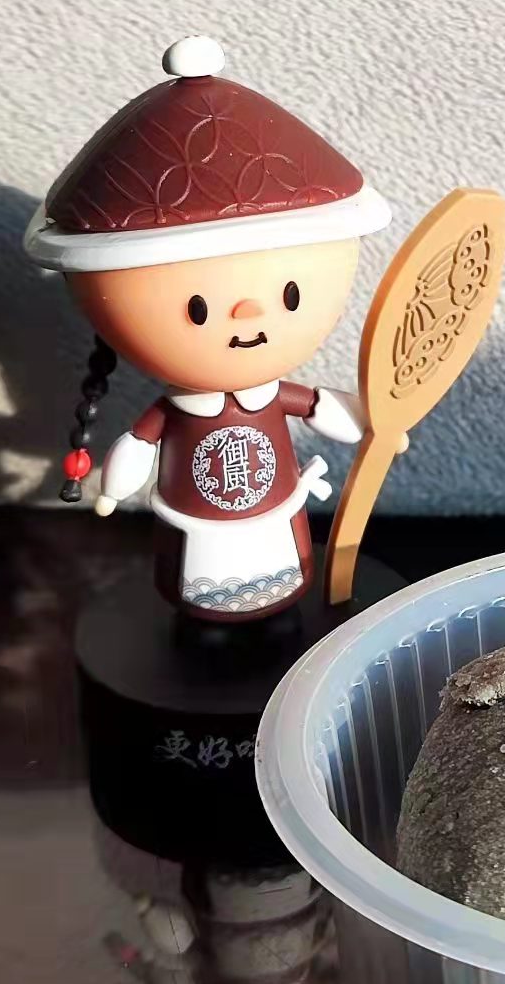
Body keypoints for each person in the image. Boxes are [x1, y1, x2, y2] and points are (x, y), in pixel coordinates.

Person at [25, 35, 404, 622]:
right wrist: (112, 490)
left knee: (285, 578)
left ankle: (272, 620)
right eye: (197, 310)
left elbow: (323, 409)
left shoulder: (269, 396)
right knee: (196, 588)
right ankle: (207, 629)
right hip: (194, 531)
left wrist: (376, 425)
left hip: (276, 523)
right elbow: (137, 448)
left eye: (289, 296)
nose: (249, 315)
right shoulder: (177, 411)